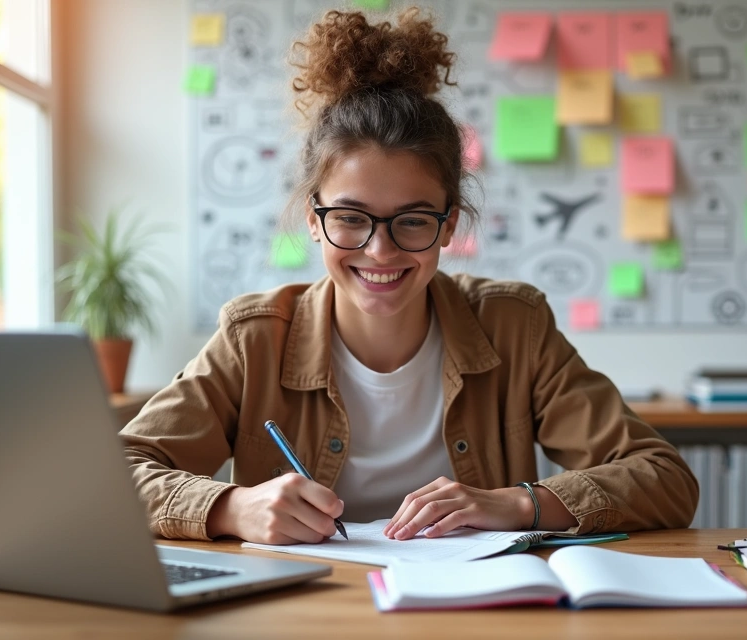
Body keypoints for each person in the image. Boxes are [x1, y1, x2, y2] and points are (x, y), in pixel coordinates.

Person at [119, 8, 697, 545]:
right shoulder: (254, 338)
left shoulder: (512, 324)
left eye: (413, 221)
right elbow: (118, 471)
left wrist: (519, 504)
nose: (380, 250)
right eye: (350, 218)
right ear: (313, 221)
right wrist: (230, 508)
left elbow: (664, 477)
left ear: (449, 227)